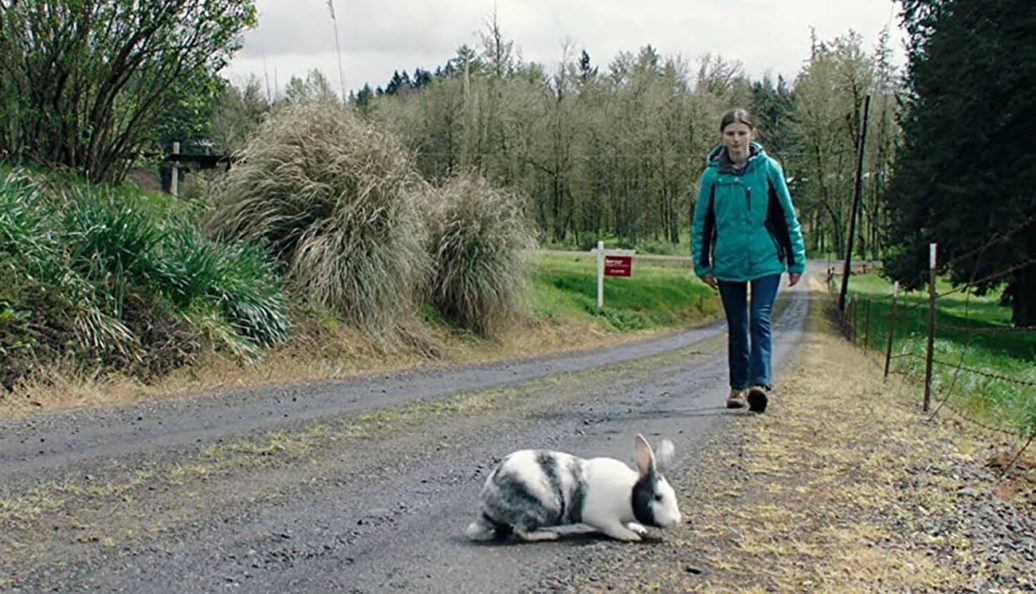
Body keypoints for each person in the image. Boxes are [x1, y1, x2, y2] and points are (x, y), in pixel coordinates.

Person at [691, 108, 806, 413]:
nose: (736, 139)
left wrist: (797, 261)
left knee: (759, 318)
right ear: (722, 136)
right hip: (728, 263)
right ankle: (737, 388)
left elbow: (787, 216)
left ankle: (759, 384)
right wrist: (702, 265)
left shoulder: (769, 169)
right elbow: (702, 222)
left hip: (766, 261)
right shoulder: (712, 175)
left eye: (742, 133)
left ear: (752, 134)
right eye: (730, 133)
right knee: (738, 326)